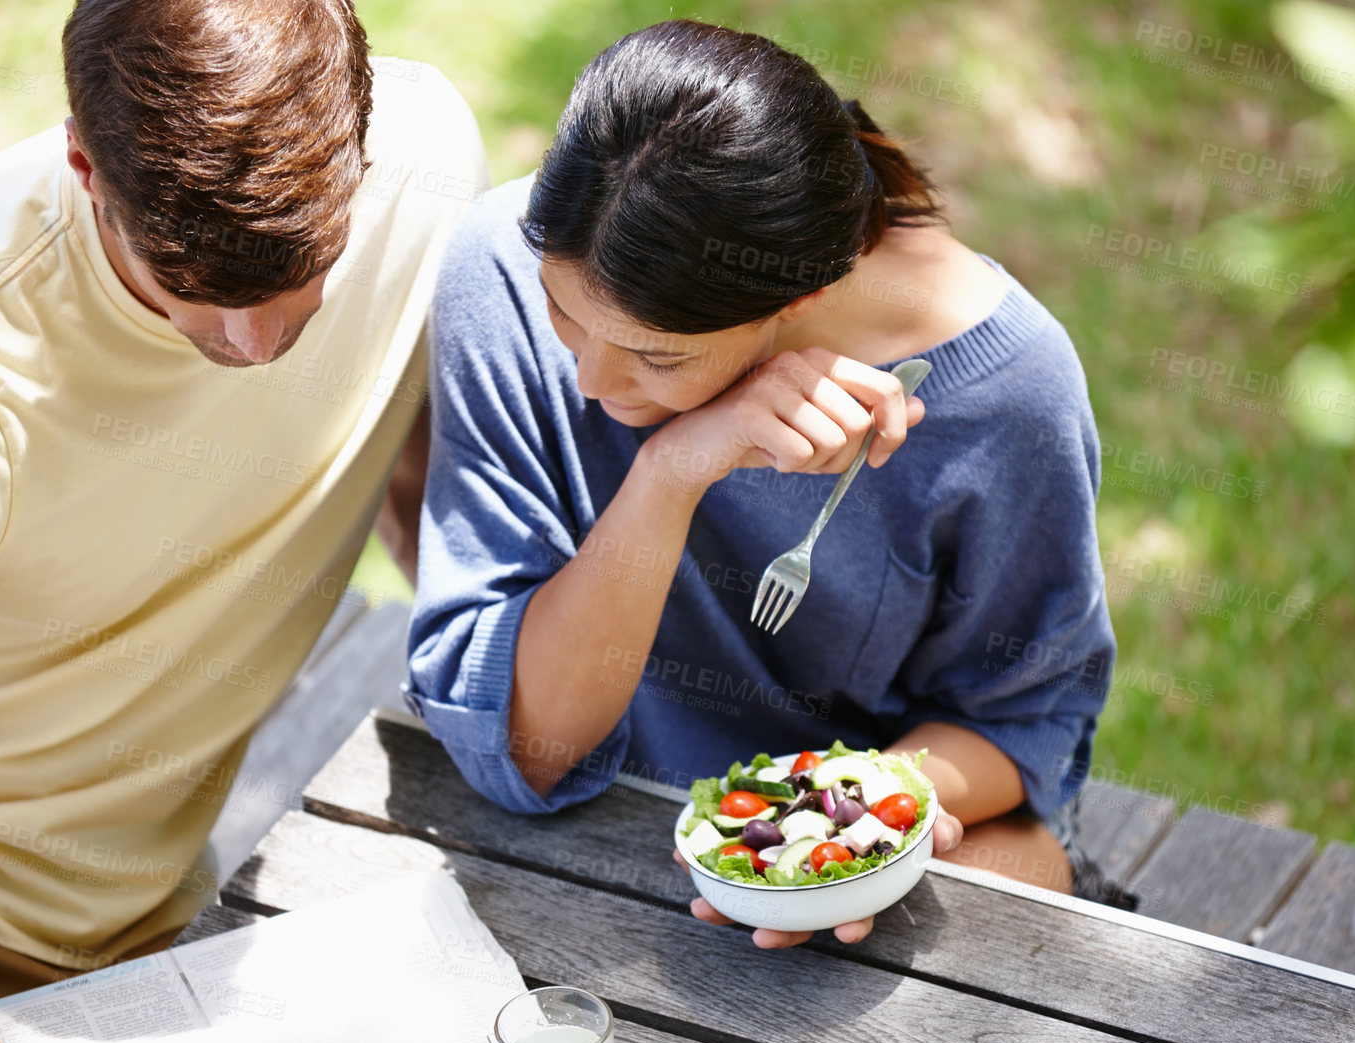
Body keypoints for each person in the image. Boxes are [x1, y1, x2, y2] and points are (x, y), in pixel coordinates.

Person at [0, 0, 486, 1043]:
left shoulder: (427, 170)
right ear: (82, 161)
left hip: (151, 938)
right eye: (193, 281)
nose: (256, 341)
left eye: (302, 273)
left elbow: (430, 513)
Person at [407, 20, 1120, 949]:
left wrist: (846, 824)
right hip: (600, 823)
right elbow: (518, 750)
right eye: (564, 316)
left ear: (800, 302)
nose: (588, 380)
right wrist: (670, 474)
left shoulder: (1010, 394)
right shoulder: (500, 273)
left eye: (655, 358)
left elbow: (1027, 720)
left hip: (894, 829)